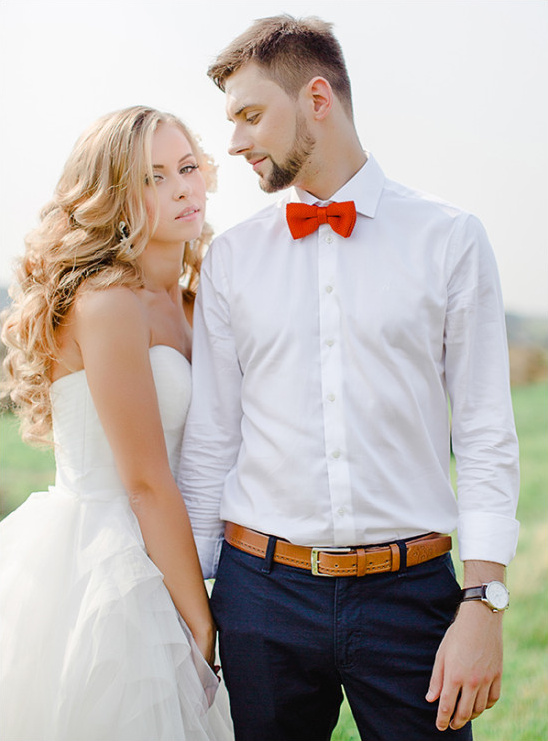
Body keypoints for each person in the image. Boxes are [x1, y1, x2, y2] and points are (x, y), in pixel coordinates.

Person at [178, 15, 520, 741]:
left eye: (250, 115)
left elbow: (488, 430)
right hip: (260, 596)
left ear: (318, 99)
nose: (234, 141)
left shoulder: (450, 239)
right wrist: (193, 610)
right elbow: (212, 439)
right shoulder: (233, 259)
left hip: (413, 597)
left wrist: (483, 603)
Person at [0, 105, 233, 741]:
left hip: (185, 548)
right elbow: (145, 482)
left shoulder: (195, 297)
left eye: (188, 167)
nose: (183, 187)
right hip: (108, 567)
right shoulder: (107, 301)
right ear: (115, 196)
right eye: (154, 176)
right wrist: (202, 623)